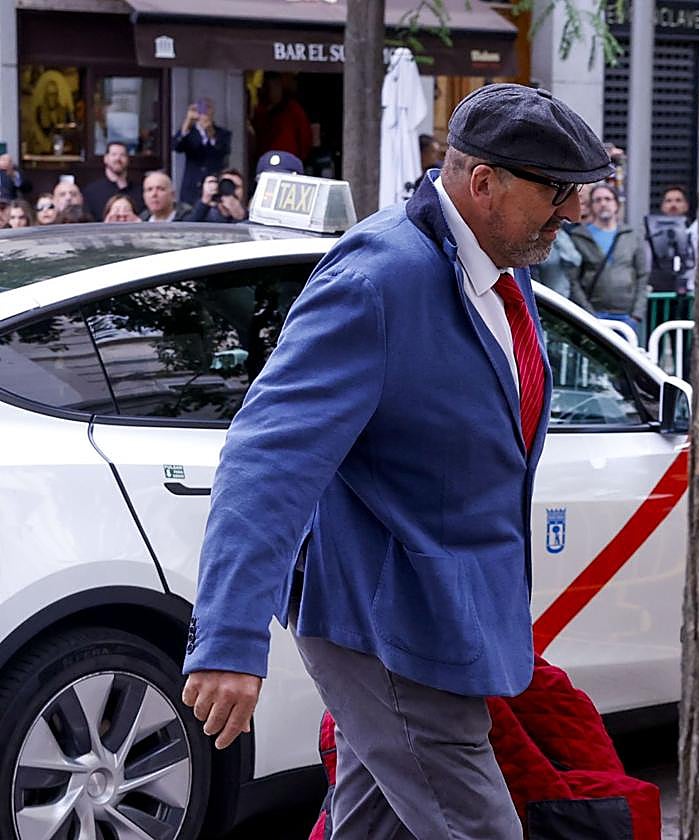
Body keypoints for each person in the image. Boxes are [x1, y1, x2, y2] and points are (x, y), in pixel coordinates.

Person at [180, 82, 612, 839]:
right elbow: (267, 458)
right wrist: (228, 639)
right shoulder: (379, 278)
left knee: (371, 826)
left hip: (446, 616)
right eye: (559, 192)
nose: (573, 211)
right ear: (484, 183)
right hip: (386, 624)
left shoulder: (505, 266)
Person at [568, 183, 649, 333]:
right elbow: (574, 280)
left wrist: (637, 315)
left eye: (607, 199)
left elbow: (642, 276)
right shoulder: (579, 237)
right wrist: (588, 313)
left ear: (617, 204)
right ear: (591, 206)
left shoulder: (631, 236)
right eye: (597, 200)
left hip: (627, 317)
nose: (603, 204)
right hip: (594, 314)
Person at [172, 97, 232, 207]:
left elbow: (223, 151)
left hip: (214, 185)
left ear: (212, 111)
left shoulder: (223, 133)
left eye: (207, 108)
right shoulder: (189, 133)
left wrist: (210, 133)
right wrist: (188, 121)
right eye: (201, 108)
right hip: (191, 188)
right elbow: (176, 146)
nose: (204, 112)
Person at [252, 72, 312, 164]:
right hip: (265, 162)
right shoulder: (259, 111)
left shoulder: (293, 109)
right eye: (269, 86)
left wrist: (299, 160)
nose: (273, 90)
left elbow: (305, 137)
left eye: (276, 85)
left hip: (289, 161)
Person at [83, 141, 144, 221]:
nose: (118, 158)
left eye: (122, 155)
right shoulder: (91, 192)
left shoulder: (140, 191)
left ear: (128, 160)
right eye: (114, 154)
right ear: (105, 159)